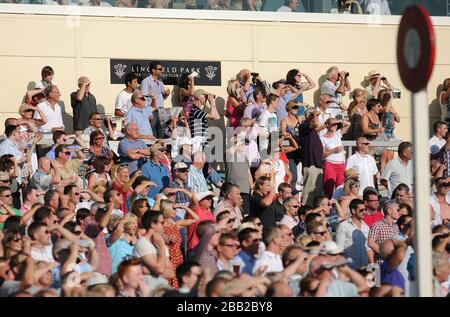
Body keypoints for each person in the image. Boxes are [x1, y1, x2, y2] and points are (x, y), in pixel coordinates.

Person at [160, 199, 199, 289]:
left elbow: (196, 218)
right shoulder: (160, 226)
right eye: (173, 208)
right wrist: (166, 238)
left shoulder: (176, 224)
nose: (176, 210)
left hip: (178, 258)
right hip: (167, 259)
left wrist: (184, 207)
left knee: (179, 284)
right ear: (167, 209)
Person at [132, 210, 175, 291]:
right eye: (162, 223)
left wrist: (148, 271)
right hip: (148, 289)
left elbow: (172, 273)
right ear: (152, 224)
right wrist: (162, 247)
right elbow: (160, 269)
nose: (164, 225)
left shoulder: (159, 242)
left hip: (161, 288)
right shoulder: (143, 244)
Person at [299, 108, 324, 206]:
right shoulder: (304, 125)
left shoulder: (313, 130)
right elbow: (315, 124)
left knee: (318, 193)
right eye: (315, 115)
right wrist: (314, 114)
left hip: (317, 164)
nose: (317, 117)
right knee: (308, 192)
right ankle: (305, 212)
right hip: (310, 164)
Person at [336, 199, 370, 270]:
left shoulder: (366, 227)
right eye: (361, 210)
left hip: (365, 268)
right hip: (350, 268)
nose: (364, 212)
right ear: (353, 211)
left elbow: (368, 249)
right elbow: (339, 249)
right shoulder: (343, 226)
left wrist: (371, 268)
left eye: (365, 210)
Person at [321, 117, 349, 198]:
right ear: (328, 125)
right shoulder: (322, 138)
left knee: (340, 189)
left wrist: (339, 121)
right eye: (333, 124)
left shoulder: (337, 133)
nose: (335, 126)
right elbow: (323, 154)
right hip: (330, 164)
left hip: (341, 164)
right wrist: (334, 150)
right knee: (328, 188)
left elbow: (348, 124)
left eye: (336, 124)